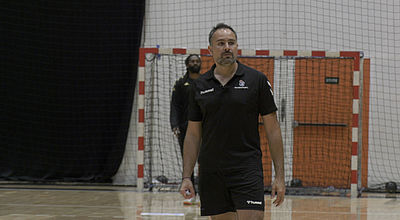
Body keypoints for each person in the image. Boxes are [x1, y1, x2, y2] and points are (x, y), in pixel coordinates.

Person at [179, 23, 285, 219]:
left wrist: (279, 176)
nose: (227, 47)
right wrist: (187, 177)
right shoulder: (199, 86)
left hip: (247, 169)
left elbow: (273, 130)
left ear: (237, 46)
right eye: (220, 43)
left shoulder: (257, 80)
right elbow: (193, 135)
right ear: (210, 49)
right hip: (212, 172)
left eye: (231, 42)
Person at [170, 54, 202, 205]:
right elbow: (175, 106)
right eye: (192, 61)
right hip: (185, 129)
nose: (195, 63)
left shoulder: (205, 82)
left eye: (197, 61)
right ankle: (190, 194)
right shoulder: (181, 84)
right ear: (187, 64)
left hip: (204, 129)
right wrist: (174, 124)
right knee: (188, 163)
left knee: (205, 162)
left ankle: (205, 194)